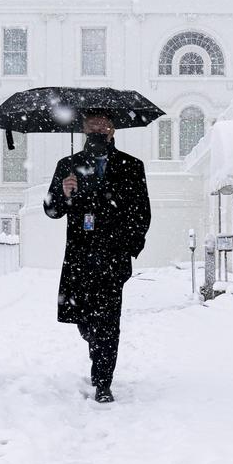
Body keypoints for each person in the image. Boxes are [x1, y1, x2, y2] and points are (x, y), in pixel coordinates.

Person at [43, 110, 151, 403]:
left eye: (103, 125)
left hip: (113, 258)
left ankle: (103, 382)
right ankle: (92, 339)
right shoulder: (68, 166)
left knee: (109, 321)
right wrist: (64, 193)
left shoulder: (131, 166)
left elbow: (141, 212)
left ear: (112, 130)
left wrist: (128, 247)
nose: (97, 130)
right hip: (80, 257)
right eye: (92, 125)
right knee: (86, 319)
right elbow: (52, 211)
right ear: (83, 129)